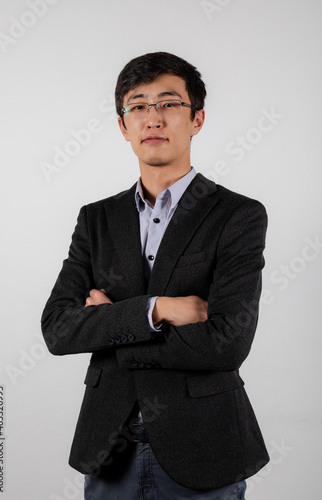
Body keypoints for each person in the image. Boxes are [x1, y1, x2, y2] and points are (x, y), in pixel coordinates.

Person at [41, 51, 269, 500]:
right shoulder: (97, 219)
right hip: (109, 447)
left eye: (169, 104)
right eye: (139, 106)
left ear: (197, 119)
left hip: (205, 445)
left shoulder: (237, 215)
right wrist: (156, 309)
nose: (154, 118)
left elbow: (227, 342)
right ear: (123, 125)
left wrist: (111, 329)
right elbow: (58, 329)